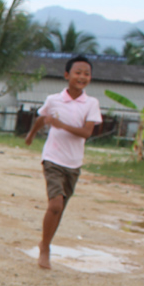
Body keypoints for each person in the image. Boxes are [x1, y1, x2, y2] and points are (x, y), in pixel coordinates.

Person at [25, 55, 102, 269]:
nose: (82, 77)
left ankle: (46, 241)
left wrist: (60, 125)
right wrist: (32, 134)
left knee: (59, 209)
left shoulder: (91, 103)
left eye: (86, 74)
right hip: (53, 158)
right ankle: (45, 249)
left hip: (74, 163)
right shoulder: (54, 100)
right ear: (67, 75)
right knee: (55, 205)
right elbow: (42, 118)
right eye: (78, 72)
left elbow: (86, 132)